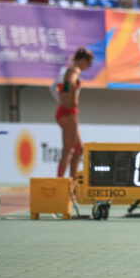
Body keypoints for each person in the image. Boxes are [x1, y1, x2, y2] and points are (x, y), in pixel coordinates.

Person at [54, 47, 94, 179]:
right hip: (68, 113)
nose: (88, 68)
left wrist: (64, 95)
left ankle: (72, 180)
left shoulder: (67, 71)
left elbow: (62, 85)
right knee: (68, 150)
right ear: (83, 60)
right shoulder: (74, 70)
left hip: (65, 111)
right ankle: (61, 181)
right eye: (88, 64)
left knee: (78, 149)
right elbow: (70, 82)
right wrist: (73, 98)